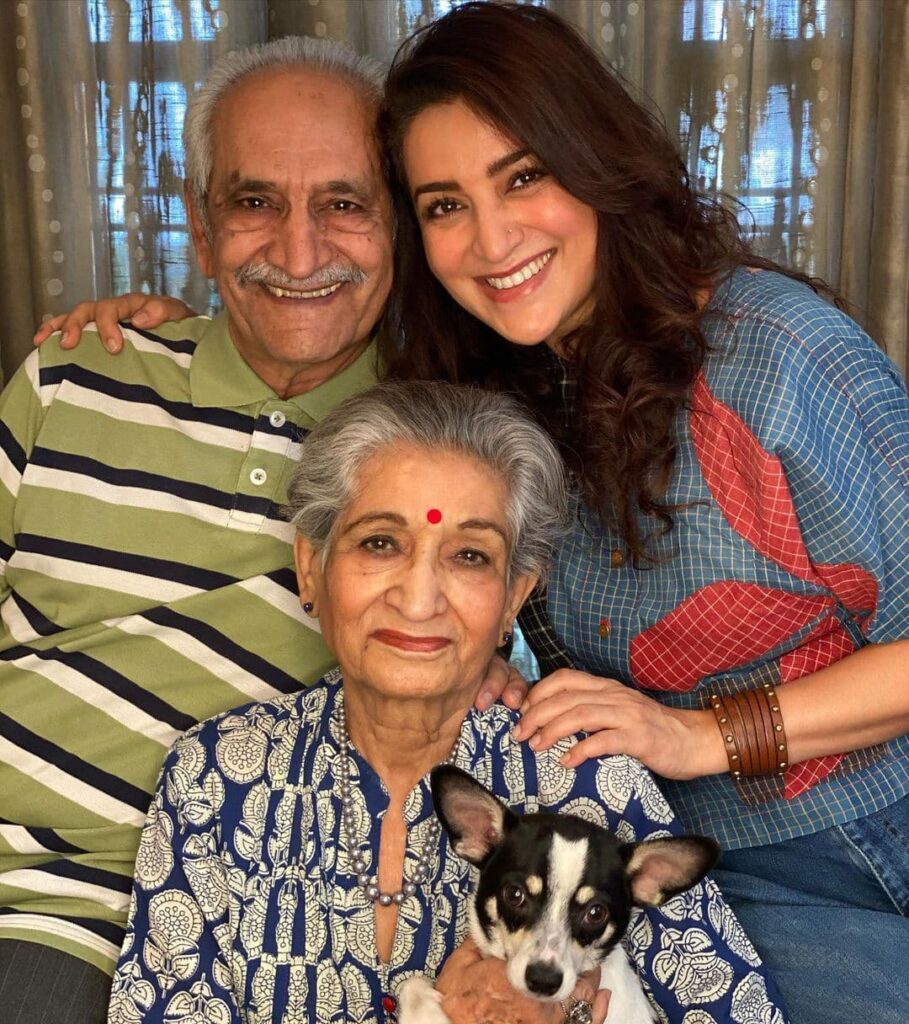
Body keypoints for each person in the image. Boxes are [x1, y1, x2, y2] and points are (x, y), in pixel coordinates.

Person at [37, 4, 909, 1020]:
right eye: (445, 205)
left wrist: (700, 737)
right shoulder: (500, 393)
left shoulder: (780, 355)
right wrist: (164, 328)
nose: (492, 241)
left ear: (599, 163)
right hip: (712, 867)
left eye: (524, 177)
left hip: (858, 818)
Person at [0, 35, 520, 1022]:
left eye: (344, 204)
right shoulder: (71, 377)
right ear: (200, 230)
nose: (297, 253)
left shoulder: (439, 457)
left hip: (108, 914)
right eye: (254, 204)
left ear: (400, 230)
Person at [108, 379, 786, 1024]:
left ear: (514, 597)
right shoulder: (217, 776)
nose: (419, 596)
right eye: (380, 543)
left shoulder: (584, 775)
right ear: (311, 567)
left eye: (468, 556)